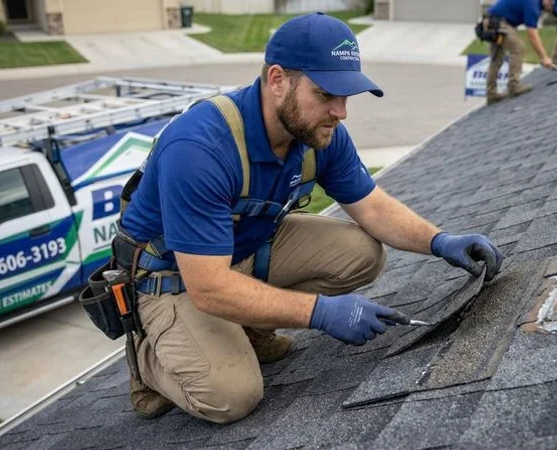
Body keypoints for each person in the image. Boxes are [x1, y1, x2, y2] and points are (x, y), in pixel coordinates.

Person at [115, 12, 504, 424]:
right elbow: (208, 286)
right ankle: (148, 357)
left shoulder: (318, 131)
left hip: (242, 249)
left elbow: (372, 207)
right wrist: (320, 312)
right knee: (231, 395)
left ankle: (247, 327)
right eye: (326, 94)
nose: (341, 112)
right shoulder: (200, 147)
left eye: (346, 96)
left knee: (361, 252)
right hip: (174, 275)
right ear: (278, 80)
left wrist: (440, 241)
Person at [484, 0, 555, 105]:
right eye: (552, 4)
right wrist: (544, 57)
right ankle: (513, 86)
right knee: (518, 48)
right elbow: (532, 34)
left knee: (496, 58)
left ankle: (491, 94)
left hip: (490, 20)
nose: (552, 7)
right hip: (498, 22)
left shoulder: (534, 4)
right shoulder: (533, 4)